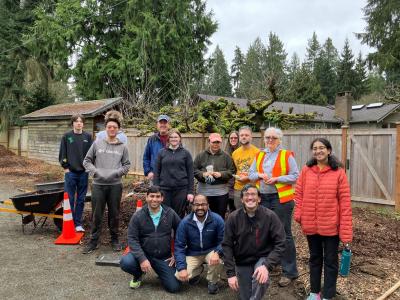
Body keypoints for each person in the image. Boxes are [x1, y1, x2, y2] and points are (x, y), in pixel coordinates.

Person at [294, 138, 352, 300]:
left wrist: (346, 233)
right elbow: (298, 194)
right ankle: (314, 292)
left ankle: (327, 294)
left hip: (331, 227)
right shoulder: (306, 170)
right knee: (314, 259)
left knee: (331, 261)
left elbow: (345, 203)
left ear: (329, 151)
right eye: (315, 148)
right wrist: (299, 215)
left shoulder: (339, 172)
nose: (318, 151)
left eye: (322, 148)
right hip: (311, 225)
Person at [248, 127, 299, 287]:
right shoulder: (260, 154)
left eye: (273, 138)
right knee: (265, 232)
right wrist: (260, 175)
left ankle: (289, 271)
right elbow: (251, 174)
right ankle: (271, 264)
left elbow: (295, 176)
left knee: (284, 233)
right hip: (263, 199)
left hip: (280, 199)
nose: (270, 140)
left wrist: (277, 179)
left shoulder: (286, 155)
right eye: (267, 137)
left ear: (279, 140)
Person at [222, 184, 286, 300]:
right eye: (246, 195)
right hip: (242, 260)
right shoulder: (233, 218)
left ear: (259, 199)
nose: (250, 198)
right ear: (241, 199)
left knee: (260, 278)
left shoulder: (270, 216)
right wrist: (231, 274)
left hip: (263, 258)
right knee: (245, 296)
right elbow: (227, 245)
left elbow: (280, 243)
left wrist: (267, 265)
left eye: (253, 194)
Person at [82, 112, 131, 253]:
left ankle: (114, 240)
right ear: (106, 128)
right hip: (98, 185)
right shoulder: (97, 143)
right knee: (97, 214)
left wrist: (117, 173)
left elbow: (127, 165)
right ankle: (93, 241)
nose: (111, 129)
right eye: (109, 127)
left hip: (115, 185)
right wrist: (96, 172)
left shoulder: (123, 146)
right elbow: (87, 161)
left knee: (114, 214)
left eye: (114, 127)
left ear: (118, 129)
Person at [120, 185, 181, 293]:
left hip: (163, 256)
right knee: (126, 262)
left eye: (158, 196)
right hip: (144, 253)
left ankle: (161, 272)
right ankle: (138, 274)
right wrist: (142, 259)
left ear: (162, 198)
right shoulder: (138, 215)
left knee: (174, 287)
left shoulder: (170, 213)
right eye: (151, 196)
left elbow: (181, 232)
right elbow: (132, 238)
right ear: (147, 197)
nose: (154, 199)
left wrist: (176, 253)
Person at [175, 194, 225, 294]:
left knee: (218, 261)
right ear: (192, 206)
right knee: (179, 276)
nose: (200, 207)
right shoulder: (185, 222)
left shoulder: (217, 219)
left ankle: (213, 281)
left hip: (211, 251)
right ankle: (198, 269)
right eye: (197, 204)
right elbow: (179, 246)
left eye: (203, 204)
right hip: (193, 252)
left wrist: (218, 252)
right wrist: (181, 268)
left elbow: (224, 240)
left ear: (208, 205)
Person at [58, 114, 93, 232]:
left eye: (81, 121)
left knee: (81, 199)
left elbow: (91, 154)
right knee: (70, 199)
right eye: (76, 121)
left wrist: (89, 168)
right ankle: (70, 223)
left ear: (83, 123)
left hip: (83, 173)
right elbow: (62, 154)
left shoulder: (88, 136)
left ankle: (78, 223)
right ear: (72, 123)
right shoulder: (67, 136)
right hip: (71, 173)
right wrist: (66, 168)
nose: (79, 123)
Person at [153, 129, 194, 218]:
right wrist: (156, 189)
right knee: (165, 215)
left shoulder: (186, 153)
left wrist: (190, 192)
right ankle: (166, 232)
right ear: (168, 139)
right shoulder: (161, 153)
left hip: (181, 190)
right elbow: (156, 172)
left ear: (180, 139)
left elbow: (191, 174)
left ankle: (178, 232)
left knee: (179, 216)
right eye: (171, 137)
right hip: (164, 189)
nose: (173, 139)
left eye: (176, 137)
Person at [193, 133, 235, 219]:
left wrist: (221, 174)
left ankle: (219, 232)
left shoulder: (226, 156)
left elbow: (232, 171)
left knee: (220, 217)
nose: (215, 144)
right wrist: (203, 174)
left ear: (220, 143)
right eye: (213, 142)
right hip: (204, 192)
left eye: (218, 142)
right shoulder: (201, 155)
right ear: (209, 142)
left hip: (221, 192)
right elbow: (194, 170)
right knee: (204, 216)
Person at [231, 126, 259, 209]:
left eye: (246, 135)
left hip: (253, 187)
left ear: (251, 137)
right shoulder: (235, 153)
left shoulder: (257, 152)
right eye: (242, 135)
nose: (244, 137)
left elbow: (261, 172)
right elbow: (234, 170)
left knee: (253, 212)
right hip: (238, 188)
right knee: (239, 212)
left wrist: (247, 177)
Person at [143, 114, 171, 181]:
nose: (163, 125)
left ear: (169, 125)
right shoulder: (152, 139)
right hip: (155, 176)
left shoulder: (173, 138)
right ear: (157, 125)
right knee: (154, 192)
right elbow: (146, 157)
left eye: (165, 123)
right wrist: (148, 172)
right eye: (160, 123)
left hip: (171, 176)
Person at [225, 131, 239, 213]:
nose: (233, 139)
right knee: (231, 207)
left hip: (239, 182)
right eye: (231, 138)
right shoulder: (226, 152)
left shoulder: (241, 151)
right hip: (229, 183)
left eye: (235, 138)